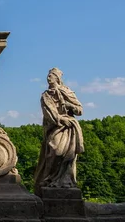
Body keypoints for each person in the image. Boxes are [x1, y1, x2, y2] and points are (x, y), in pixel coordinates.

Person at [34, 68, 85, 196]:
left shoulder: (66, 91)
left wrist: (69, 106)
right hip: (55, 127)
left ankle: (65, 181)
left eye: (51, 75)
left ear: (57, 78)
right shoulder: (46, 95)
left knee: (68, 155)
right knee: (55, 152)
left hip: (68, 129)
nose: (48, 77)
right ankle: (50, 179)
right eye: (48, 75)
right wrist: (60, 118)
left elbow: (79, 110)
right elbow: (48, 113)